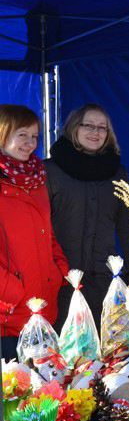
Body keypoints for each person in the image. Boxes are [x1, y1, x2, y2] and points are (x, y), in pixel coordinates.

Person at [44, 103, 129, 331]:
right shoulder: (49, 171)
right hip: (61, 283)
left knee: (108, 346)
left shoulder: (118, 173)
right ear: (74, 128)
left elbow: (127, 227)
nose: (95, 132)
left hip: (104, 282)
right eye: (88, 125)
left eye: (102, 127)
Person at [0, 105, 69, 359]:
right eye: (22, 135)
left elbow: (46, 233)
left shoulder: (36, 180)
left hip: (43, 308)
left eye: (35, 136)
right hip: (9, 315)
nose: (30, 143)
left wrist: (60, 269)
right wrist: (11, 291)